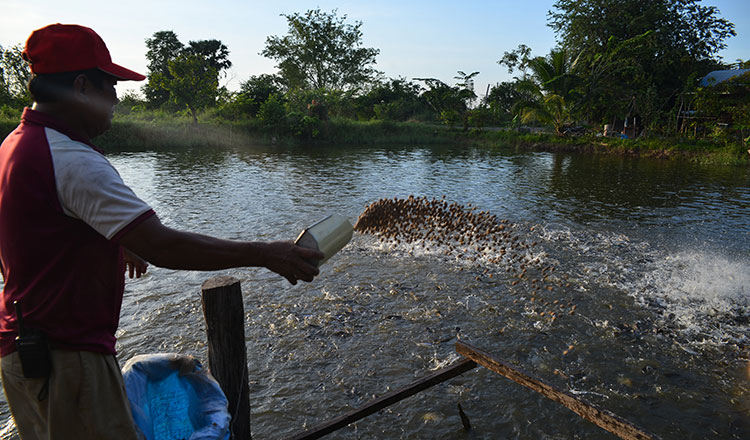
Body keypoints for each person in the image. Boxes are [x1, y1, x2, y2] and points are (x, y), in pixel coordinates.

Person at [0, 24, 323, 439]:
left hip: (27, 352)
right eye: (110, 86)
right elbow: (162, 244)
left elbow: (35, 239)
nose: (116, 100)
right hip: (68, 360)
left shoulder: (16, 146)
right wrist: (266, 254)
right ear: (81, 86)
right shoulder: (73, 160)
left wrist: (113, 241)